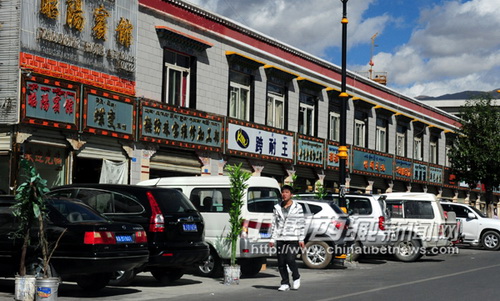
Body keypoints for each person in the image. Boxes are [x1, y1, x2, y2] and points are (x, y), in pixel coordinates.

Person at [269, 185, 305, 291]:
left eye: (286, 192)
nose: (284, 194)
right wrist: (272, 239)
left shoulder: (297, 207)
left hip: (293, 238)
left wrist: (301, 239)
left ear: (291, 194)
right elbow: (274, 224)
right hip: (280, 238)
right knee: (281, 262)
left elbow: (301, 223)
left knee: (290, 259)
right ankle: (285, 283)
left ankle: (296, 276)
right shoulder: (277, 207)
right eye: (283, 192)